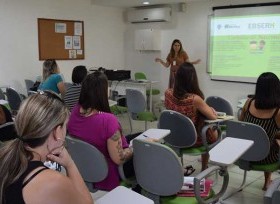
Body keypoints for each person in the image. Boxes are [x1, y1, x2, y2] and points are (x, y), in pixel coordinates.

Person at [0, 91, 93, 204]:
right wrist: (70, 165)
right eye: (65, 127)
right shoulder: (52, 182)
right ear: (57, 132)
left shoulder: (6, 154)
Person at [67, 71, 133, 191]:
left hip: (85, 168)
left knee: (135, 137)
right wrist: (134, 149)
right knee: (143, 148)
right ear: (102, 91)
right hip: (108, 174)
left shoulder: (76, 111)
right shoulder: (108, 121)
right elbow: (119, 158)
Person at [164, 62, 218, 171]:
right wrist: (212, 110)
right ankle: (204, 168)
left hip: (172, 137)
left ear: (177, 77)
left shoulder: (168, 93)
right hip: (191, 140)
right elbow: (213, 117)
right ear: (192, 78)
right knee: (214, 131)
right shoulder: (194, 99)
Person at [239, 72, 280, 191]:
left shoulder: (249, 102)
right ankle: (268, 183)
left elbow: (242, 124)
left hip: (244, 153)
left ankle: (267, 181)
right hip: (266, 157)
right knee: (271, 141)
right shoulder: (277, 112)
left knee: (264, 139)